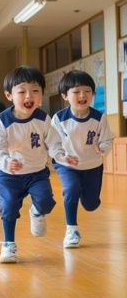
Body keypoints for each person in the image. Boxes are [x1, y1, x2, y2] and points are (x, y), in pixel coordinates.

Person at [0, 66, 66, 263]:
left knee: (46, 202)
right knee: (8, 207)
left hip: (37, 173)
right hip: (9, 175)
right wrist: (6, 162)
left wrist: (61, 155)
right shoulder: (1, 122)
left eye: (35, 91)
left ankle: (37, 211)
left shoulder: (43, 119)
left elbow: (54, 143)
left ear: (41, 95)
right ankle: (8, 245)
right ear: (9, 95)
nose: (28, 96)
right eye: (22, 91)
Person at [51, 70, 114, 248]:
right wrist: (62, 156)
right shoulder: (59, 119)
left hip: (93, 165)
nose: (82, 95)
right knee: (71, 188)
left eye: (87, 91)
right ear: (65, 96)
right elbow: (53, 144)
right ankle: (71, 230)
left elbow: (107, 139)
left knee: (91, 204)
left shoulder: (98, 117)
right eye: (76, 91)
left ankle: (84, 196)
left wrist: (102, 148)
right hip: (67, 165)